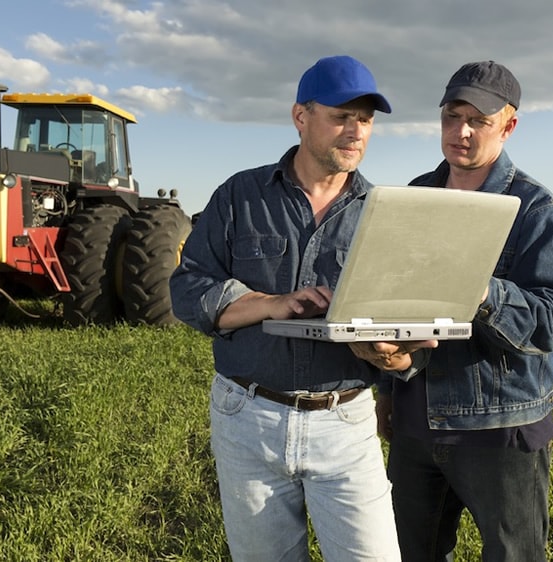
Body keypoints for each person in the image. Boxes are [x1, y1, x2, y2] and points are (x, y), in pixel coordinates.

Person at [170, 55, 428, 561]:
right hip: (248, 415)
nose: (355, 131)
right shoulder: (240, 196)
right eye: (341, 116)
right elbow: (187, 288)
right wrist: (270, 304)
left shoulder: (383, 216)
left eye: (367, 120)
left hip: (345, 421)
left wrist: (394, 357)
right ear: (300, 117)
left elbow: (401, 333)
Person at [374, 61, 553, 561]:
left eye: (478, 121)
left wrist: (479, 287)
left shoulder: (535, 211)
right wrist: (385, 391)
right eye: (451, 116)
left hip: (499, 430)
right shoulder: (413, 198)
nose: (459, 132)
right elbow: (385, 302)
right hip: (415, 424)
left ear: (509, 126)